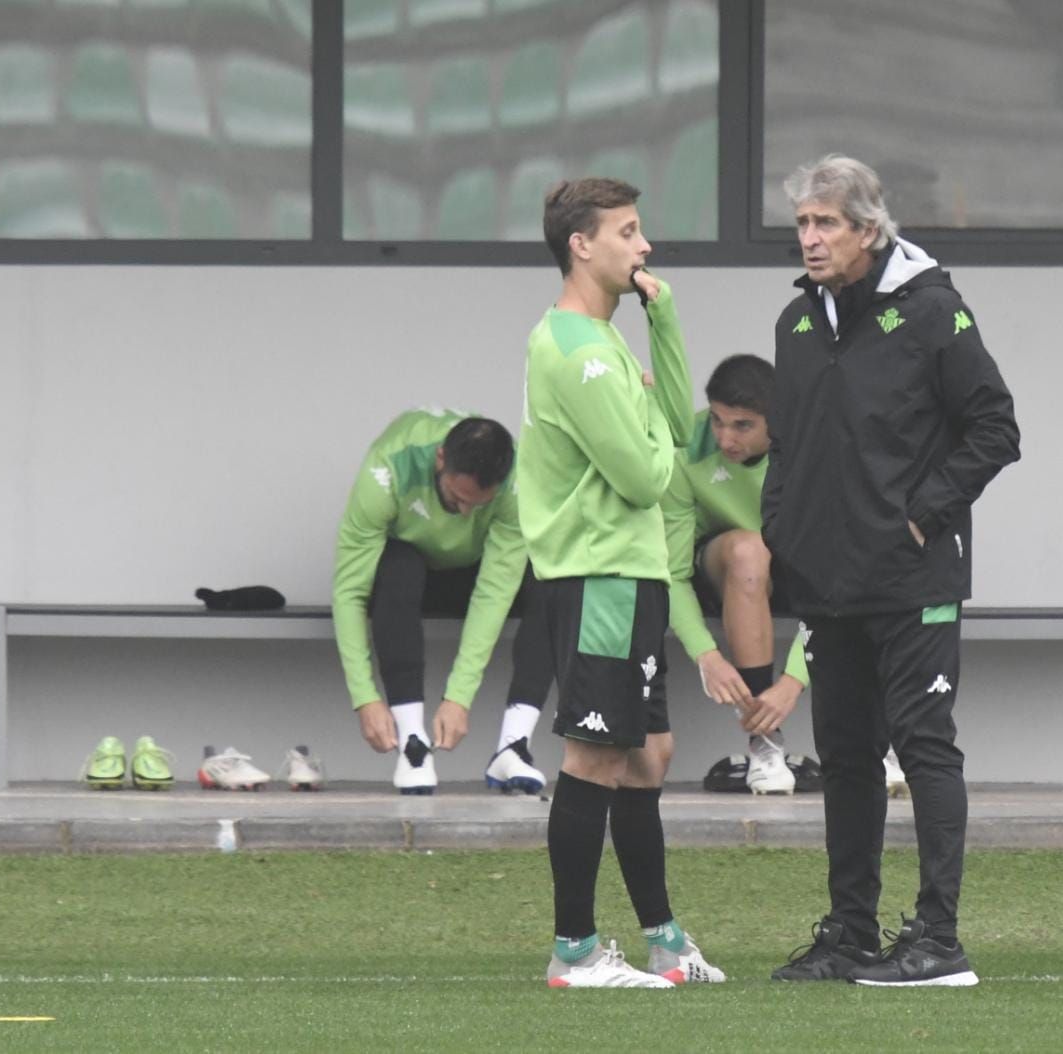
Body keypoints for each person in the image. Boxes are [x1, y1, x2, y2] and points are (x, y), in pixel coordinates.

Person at [762, 156, 1021, 986]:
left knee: (925, 750)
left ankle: (939, 941)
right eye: (802, 223)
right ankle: (850, 935)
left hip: (914, 582)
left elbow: (995, 428)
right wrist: (782, 528)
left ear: (868, 232)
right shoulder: (794, 325)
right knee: (843, 761)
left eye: (825, 224)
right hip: (829, 586)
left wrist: (919, 517)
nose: (809, 239)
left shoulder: (936, 313)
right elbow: (790, 446)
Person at [521, 177, 723, 988]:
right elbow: (646, 476)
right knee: (597, 756)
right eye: (630, 232)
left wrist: (663, 318)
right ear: (583, 244)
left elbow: (676, 426)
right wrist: (650, 431)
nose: (645, 248)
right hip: (600, 571)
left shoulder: (611, 340)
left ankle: (664, 940)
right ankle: (573, 951)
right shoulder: (574, 350)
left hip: (634, 571)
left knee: (647, 758)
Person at [332, 409, 551, 796]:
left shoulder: (520, 482)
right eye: (457, 497)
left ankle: (514, 745)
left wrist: (458, 698)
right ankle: (413, 742)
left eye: (478, 504)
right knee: (399, 567)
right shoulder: (387, 468)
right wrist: (364, 698)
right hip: (413, 573)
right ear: (440, 460)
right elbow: (350, 591)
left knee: (551, 582)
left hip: (474, 572)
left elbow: (493, 592)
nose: (465, 512)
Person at [662, 354, 810, 794]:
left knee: (884, 582)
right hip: (725, 570)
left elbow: (847, 578)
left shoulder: (812, 447)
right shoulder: (685, 449)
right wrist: (706, 656)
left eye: (742, 425)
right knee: (749, 550)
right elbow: (671, 573)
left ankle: (884, 748)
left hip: (804, 572)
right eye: (718, 421)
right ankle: (763, 743)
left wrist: (794, 681)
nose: (725, 437)